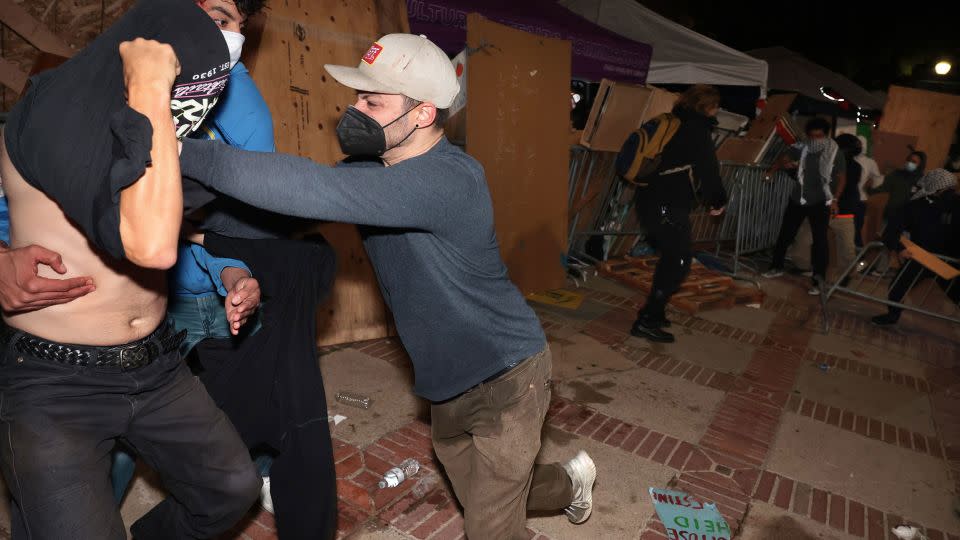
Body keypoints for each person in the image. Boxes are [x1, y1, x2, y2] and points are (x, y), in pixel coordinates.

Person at [175, 33, 597, 539]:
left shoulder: (448, 180)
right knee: (480, 485)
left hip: (508, 374)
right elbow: (288, 214)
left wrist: (182, 149)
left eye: (373, 101)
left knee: (490, 526)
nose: (355, 110)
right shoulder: (371, 171)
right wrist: (201, 229)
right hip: (446, 376)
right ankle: (571, 483)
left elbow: (311, 188)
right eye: (357, 96)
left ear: (422, 114)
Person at [0, 1, 262, 538]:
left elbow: (181, 222)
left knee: (233, 488)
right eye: (198, 13)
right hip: (55, 379)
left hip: (159, 363)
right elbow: (148, 245)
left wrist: (230, 268)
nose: (206, 33)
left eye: (223, 19)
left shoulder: (180, 122)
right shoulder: (58, 109)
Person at [628, 85, 727, 343]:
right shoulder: (697, 129)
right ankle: (647, 320)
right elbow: (708, 170)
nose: (717, 110)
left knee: (671, 258)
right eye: (716, 105)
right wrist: (717, 200)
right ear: (707, 106)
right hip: (667, 204)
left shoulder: (673, 122)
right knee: (679, 261)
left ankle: (656, 312)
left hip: (651, 199)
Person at [762, 117, 847, 295]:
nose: (816, 139)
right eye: (812, 136)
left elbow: (841, 177)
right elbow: (784, 157)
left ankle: (818, 280)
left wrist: (835, 200)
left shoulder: (835, 152)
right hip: (798, 198)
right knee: (786, 233)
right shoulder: (802, 146)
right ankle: (776, 266)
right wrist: (771, 171)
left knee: (819, 241)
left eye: (819, 136)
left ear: (826, 135)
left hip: (821, 201)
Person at [871, 169, 960, 326]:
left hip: (949, 261)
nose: (950, 193)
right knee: (897, 288)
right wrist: (899, 248)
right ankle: (892, 316)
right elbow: (891, 230)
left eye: (952, 189)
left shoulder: (956, 206)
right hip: (920, 258)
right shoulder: (915, 206)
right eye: (947, 189)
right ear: (936, 187)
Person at [853, 135, 884, 248]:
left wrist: (871, 189)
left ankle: (859, 256)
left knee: (856, 228)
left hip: (860, 199)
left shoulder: (870, 162)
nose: (859, 146)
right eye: (857, 144)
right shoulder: (848, 158)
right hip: (846, 198)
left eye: (861, 144)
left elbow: (878, 178)